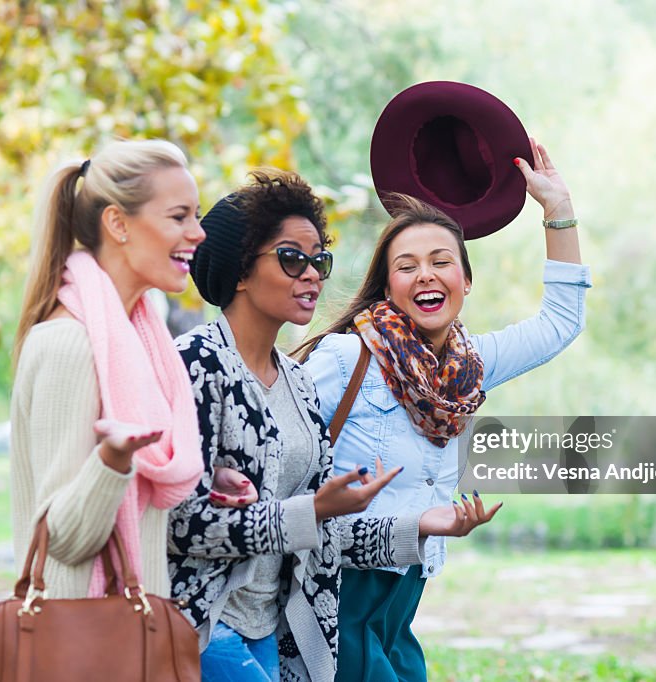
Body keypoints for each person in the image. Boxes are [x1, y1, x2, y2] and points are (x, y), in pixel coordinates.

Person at [166, 169, 499, 682]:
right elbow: (181, 525)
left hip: (274, 629)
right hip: (203, 623)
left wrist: (420, 527)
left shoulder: (297, 385)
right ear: (238, 271)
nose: (312, 275)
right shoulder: (194, 366)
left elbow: (323, 535)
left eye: (319, 260)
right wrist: (312, 509)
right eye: (291, 258)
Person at [296, 139, 591, 682]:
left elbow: (560, 324)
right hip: (341, 588)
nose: (426, 275)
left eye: (441, 262)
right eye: (406, 266)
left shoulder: (470, 368)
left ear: (466, 282)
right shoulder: (346, 358)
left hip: (405, 590)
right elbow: (282, 452)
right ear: (388, 287)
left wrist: (558, 211)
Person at [10, 138, 207, 601]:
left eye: (196, 216)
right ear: (118, 223)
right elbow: (61, 539)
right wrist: (112, 462)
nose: (198, 232)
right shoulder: (69, 344)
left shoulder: (139, 339)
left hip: (133, 637)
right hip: (77, 644)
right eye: (179, 217)